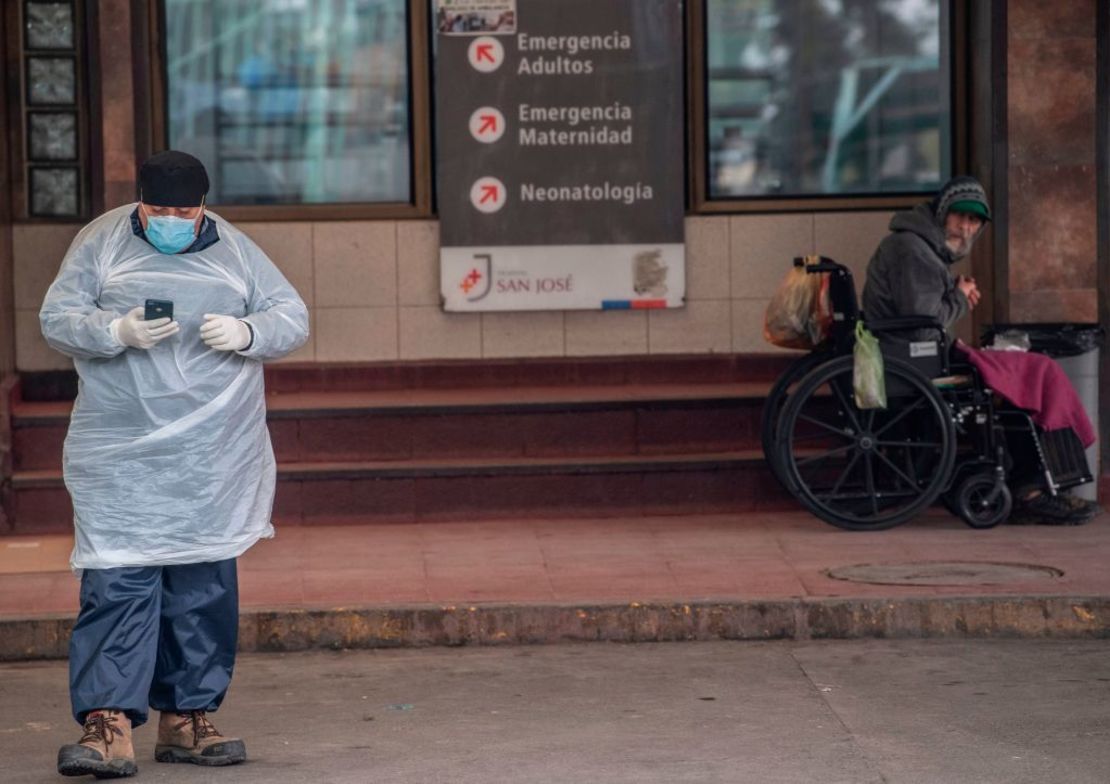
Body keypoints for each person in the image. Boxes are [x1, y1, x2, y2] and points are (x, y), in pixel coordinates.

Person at [40, 150, 309, 778]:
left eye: (182, 211)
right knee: (119, 579)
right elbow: (57, 319)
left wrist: (248, 333)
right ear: (140, 203)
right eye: (158, 210)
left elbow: (290, 316)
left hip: (212, 452)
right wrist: (115, 330)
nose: (169, 220)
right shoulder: (100, 244)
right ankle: (106, 723)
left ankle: (188, 718)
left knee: (202, 585)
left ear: (202, 206)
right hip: (125, 450)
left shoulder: (237, 250)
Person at [862, 175, 1098, 525]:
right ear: (943, 213)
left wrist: (955, 291)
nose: (967, 227)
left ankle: (1028, 482)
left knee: (1028, 369)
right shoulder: (912, 249)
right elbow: (924, 320)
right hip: (911, 355)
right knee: (1033, 371)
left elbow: (924, 311)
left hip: (917, 350)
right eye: (960, 216)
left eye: (974, 221)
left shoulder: (920, 248)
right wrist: (958, 296)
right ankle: (1028, 488)